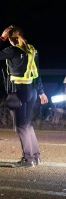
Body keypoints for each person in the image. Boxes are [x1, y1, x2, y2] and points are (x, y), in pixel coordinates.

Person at [0, 25, 48, 167]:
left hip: (17, 91)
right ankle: (36, 156)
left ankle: (28, 159)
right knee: (27, 124)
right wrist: (41, 92)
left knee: (21, 126)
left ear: (10, 39)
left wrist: (1, 38)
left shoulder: (12, 50)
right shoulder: (32, 50)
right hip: (31, 91)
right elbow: (37, 72)